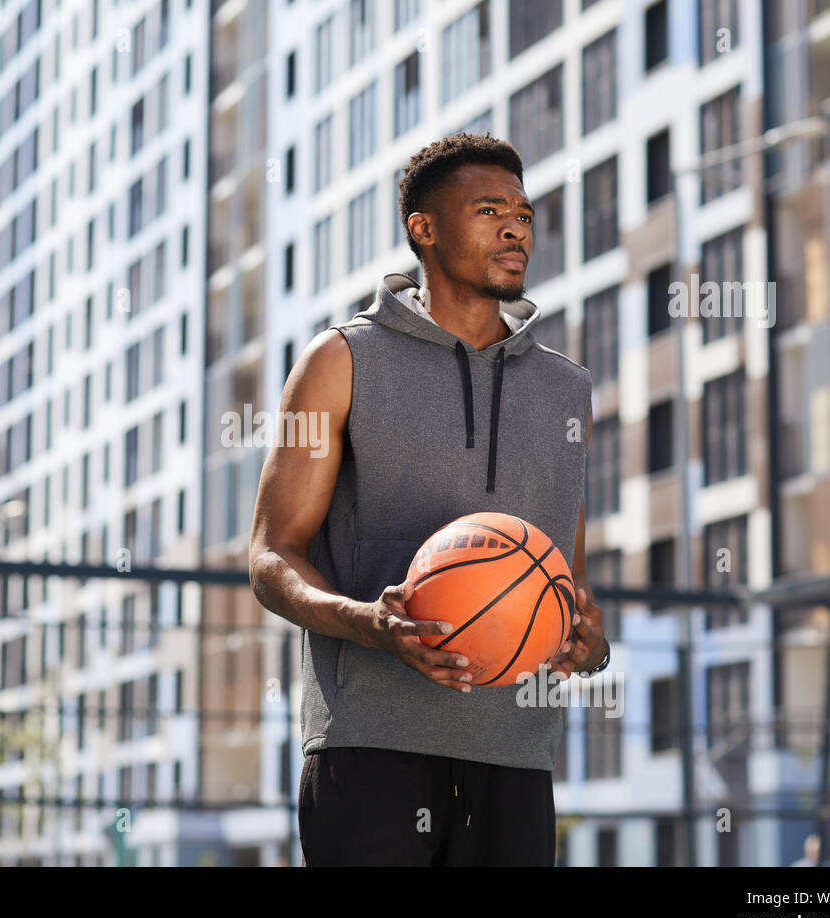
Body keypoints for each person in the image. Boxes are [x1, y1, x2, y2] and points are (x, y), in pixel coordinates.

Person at [249, 133, 609, 866]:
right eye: (488, 211)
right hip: (370, 748)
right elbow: (271, 554)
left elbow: (560, 577)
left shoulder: (567, 389)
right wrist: (366, 622)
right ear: (424, 229)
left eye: (524, 214)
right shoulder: (341, 359)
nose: (516, 229)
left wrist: (588, 644)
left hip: (517, 757)